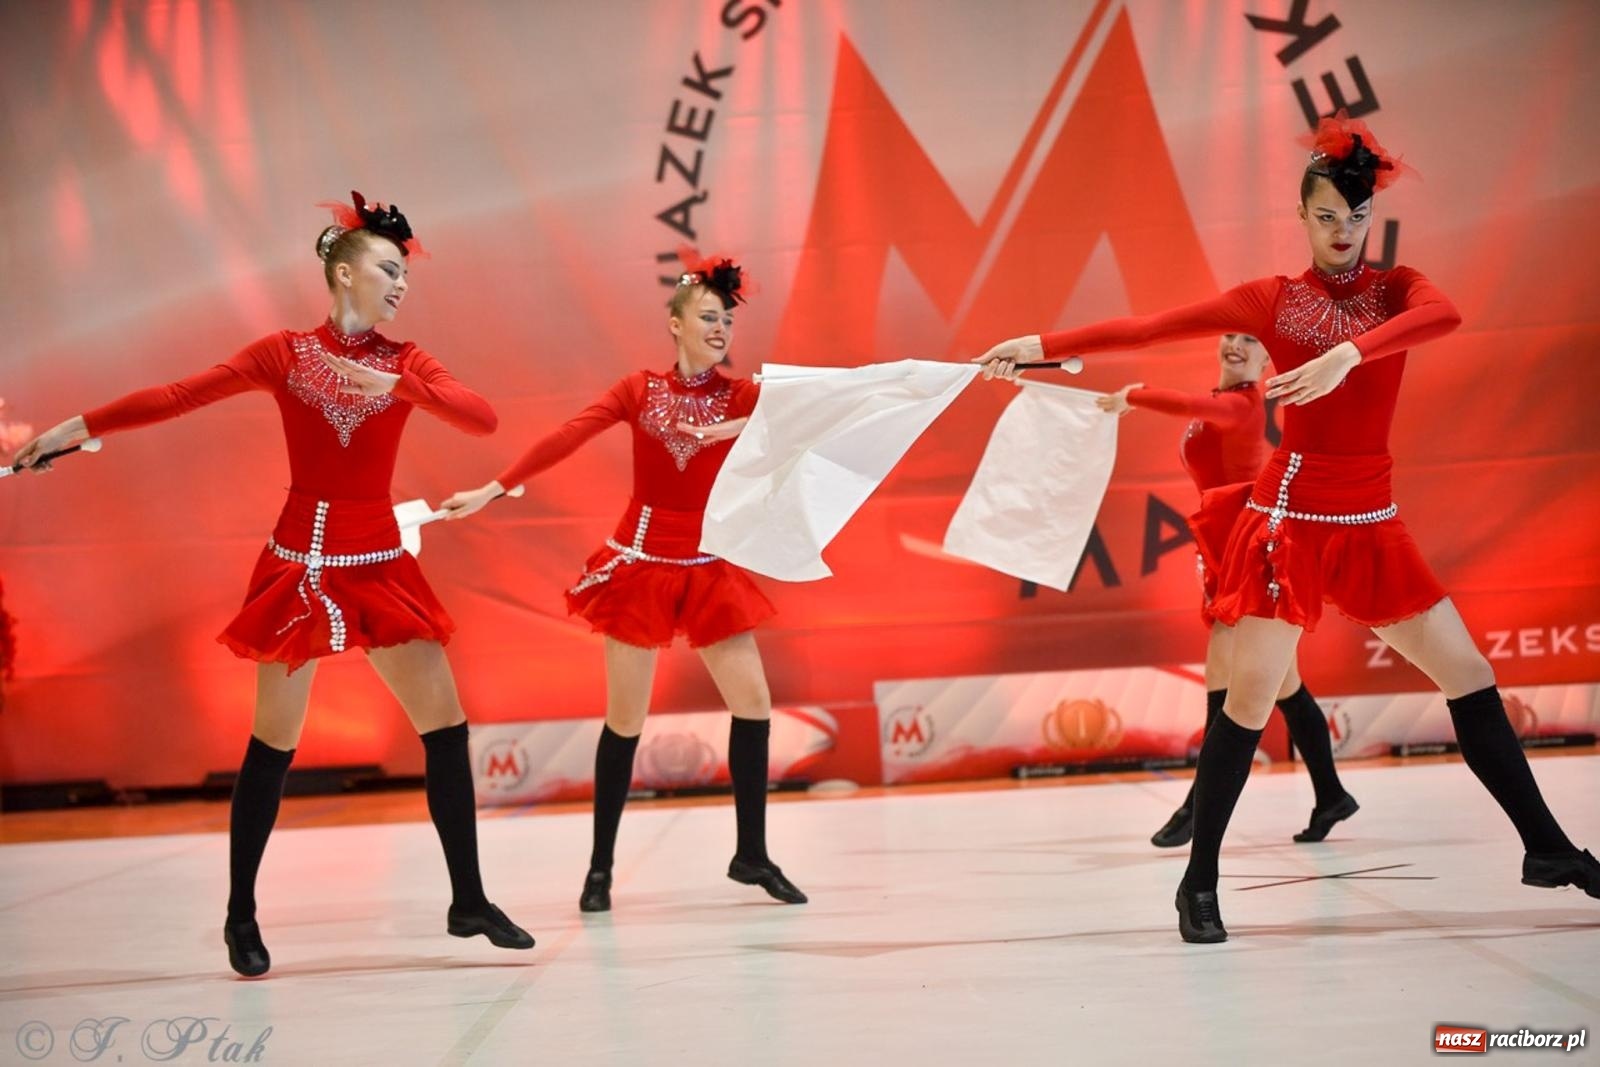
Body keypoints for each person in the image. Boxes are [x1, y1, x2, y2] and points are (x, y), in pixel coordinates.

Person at [977, 114, 1598, 942]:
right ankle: (1199, 883)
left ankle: (1546, 848)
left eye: (1356, 217)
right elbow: (1149, 328)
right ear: (1303, 216)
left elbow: (1445, 315)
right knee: (1250, 694)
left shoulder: (1396, 290)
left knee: (1469, 673)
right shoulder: (1271, 300)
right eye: (1327, 217)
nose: (1344, 232)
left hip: (1373, 519)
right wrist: (1041, 344)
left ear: (1370, 218)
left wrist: (1351, 355)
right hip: (1292, 520)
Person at [12, 192, 535, 975]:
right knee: (274, 742)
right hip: (303, 562)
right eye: (388, 269)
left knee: (446, 727)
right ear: (344, 271)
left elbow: (483, 418)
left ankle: (468, 898)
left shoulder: (406, 361)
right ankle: (240, 914)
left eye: (404, 273)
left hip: (381, 562)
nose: (401, 284)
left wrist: (396, 388)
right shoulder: (285, 354)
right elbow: (178, 395)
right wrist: (70, 429)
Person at [443, 251, 807, 913]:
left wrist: (761, 412)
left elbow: (816, 407)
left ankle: (750, 853)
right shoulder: (639, 389)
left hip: (708, 565)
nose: (721, 326)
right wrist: (496, 487)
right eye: (707, 316)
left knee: (754, 703)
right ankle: (600, 868)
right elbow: (569, 434)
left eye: (727, 317)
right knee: (625, 718)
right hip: (639, 563)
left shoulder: (744, 395)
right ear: (675, 323)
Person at [1096, 334, 1356, 848]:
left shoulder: (1241, 405)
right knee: (1284, 684)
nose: (1236, 345)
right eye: (1231, 337)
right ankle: (1331, 795)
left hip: (1255, 553)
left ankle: (1197, 806)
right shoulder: (1220, 403)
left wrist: (1132, 395)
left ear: (1266, 361)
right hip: (1228, 548)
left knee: (1225, 673)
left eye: (1251, 342)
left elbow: (1186, 405)